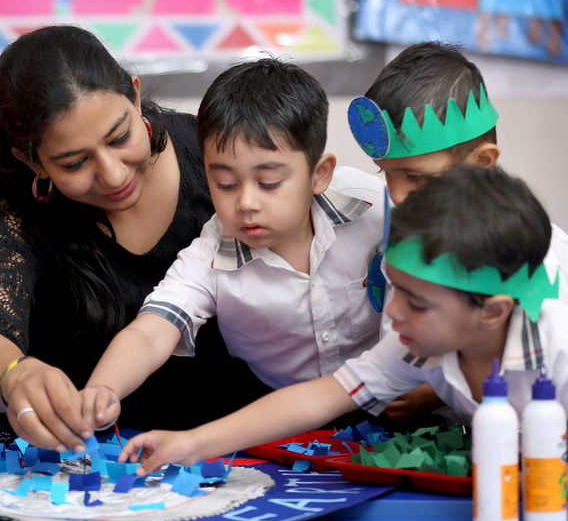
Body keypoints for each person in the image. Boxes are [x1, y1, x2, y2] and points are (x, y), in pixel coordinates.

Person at [117, 165, 564, 475]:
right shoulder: (415, 343)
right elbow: (319, 399)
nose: (392, 313)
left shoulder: (557, 351)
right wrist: (189, 444)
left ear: (493, 311)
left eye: (417, 302)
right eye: (394, 289)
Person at [0, 25, 269, 452]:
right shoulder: (9, 215)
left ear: (135, 96)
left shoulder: (216, 155)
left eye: (120, 138)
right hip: (102, 462)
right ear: (32, 159)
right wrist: (16, 375)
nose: (113, 174)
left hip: (253, 443)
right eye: (74, 162)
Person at [81, 58, 385, 430]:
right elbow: (151, 330)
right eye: (225, 184)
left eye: (270, 183)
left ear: (319, 174)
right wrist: (102, 389)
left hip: (397, 406)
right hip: (287, 431)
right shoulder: (211, 254)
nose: (246, 203)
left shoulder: (376, 205)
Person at [347, 41, 568, 421]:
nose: (398, 195)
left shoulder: (542, 260)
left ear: (482, 163)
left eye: (417, 177)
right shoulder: (408, 236)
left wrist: (433, 390)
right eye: (386, 173)